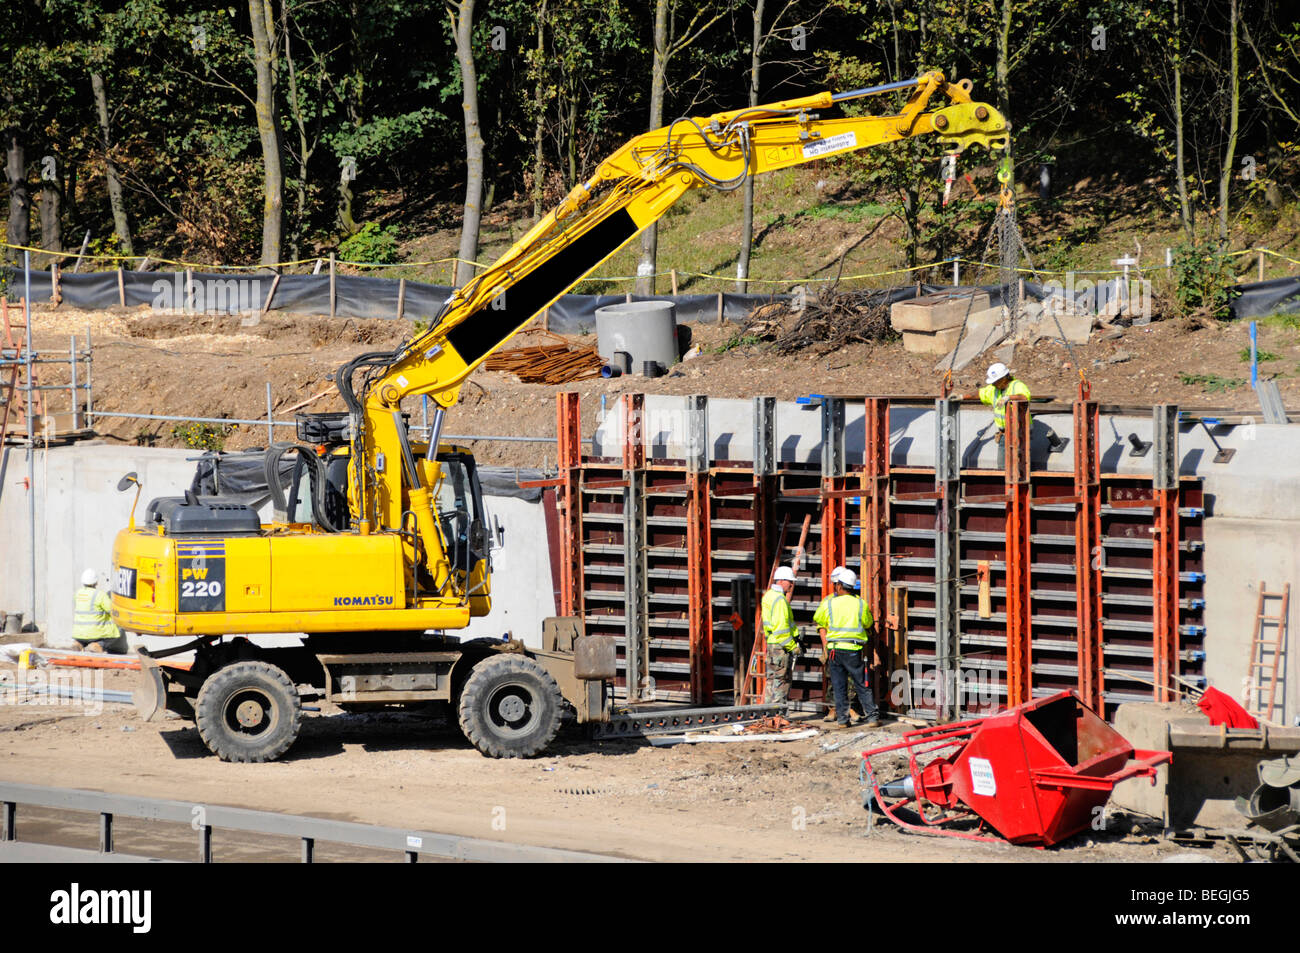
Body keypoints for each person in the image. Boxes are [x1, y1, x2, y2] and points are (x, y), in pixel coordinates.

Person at [964, 362, 1067, 468]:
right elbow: (979, 394)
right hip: (1005, 434)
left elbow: (1024, 397)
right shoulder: (994, 390)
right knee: (1004, 468)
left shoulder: (1017, 386)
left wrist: (1009, 398)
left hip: (1019, 432)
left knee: (1015, 467)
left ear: (1004, 378)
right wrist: (962, 396)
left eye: (995, 382)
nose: (993, 384)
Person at [814, 566, 881, 728]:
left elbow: (819, 620)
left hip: (834, 651)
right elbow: (868, 623)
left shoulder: (829, 603)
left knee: (839, 686)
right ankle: (872, 717)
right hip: (853, 650)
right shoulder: (860, 604)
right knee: (861, 684)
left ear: (839, 585)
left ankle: (843, 721)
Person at [762, 565, 799, 705]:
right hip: (780, 647)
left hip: (772, 645)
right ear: (782, 581)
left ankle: (767, 713)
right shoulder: (779, 600)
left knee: (771, 680)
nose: (791, 585)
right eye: (790, 582)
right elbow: (781, 629)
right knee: (781, 681)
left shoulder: (769, 596)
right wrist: (793, 647)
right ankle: (778, 715)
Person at [73, 568, 129, 654]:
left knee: (85, 637)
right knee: (116, 632)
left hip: (78, 633)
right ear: (96, 582)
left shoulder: (78, 593)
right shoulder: (100, 595)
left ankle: (79, 644)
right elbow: (111, 610)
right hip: (95, 632)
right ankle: (98, 645)